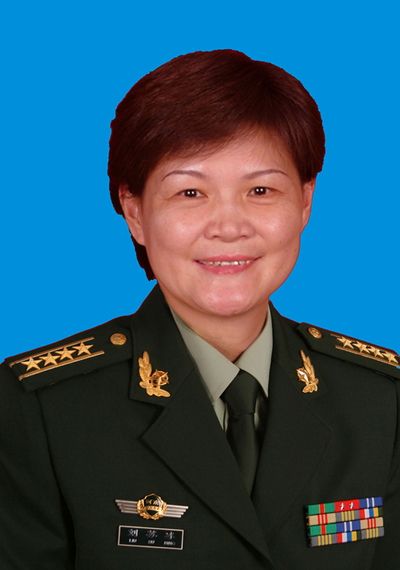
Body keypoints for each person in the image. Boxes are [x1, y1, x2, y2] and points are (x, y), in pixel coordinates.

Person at [0, 49, 399, 570]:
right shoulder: (42, 409)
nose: (229, 227)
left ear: (305, 202)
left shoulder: (379, 401)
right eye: (190, 192)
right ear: (135, 212)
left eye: (261, 190)